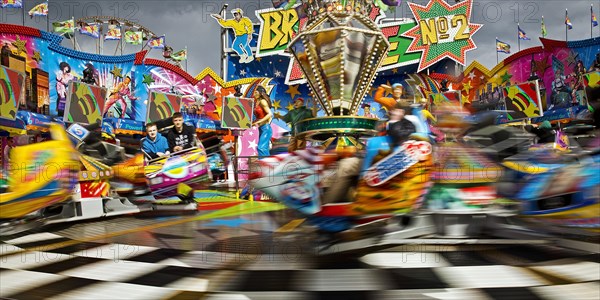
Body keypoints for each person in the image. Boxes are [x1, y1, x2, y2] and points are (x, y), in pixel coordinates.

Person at [252, 86, 274, 157]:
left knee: (261, 147)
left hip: (266, 128)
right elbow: (259, 116)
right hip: (261, 128)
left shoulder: (262, 101)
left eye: (256, 92)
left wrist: (259, 121)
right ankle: (266, 164)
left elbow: (270, 114)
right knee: (264, 148)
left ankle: (264, 164)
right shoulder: (257, 102)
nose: (254, 94)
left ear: (260, 93)